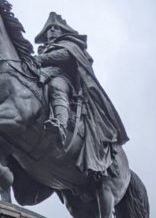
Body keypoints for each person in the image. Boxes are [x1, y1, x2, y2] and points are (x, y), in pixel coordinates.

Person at [33, 12, 128, 174]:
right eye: (49, 29)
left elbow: (64, 56)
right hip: (41, 77)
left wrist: (40, 59)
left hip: (63, 79)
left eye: (55, 28)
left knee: (57, 87)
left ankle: (60, 127)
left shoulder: (70, 44)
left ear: (62, 31)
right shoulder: (43, 49)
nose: (52, 31)